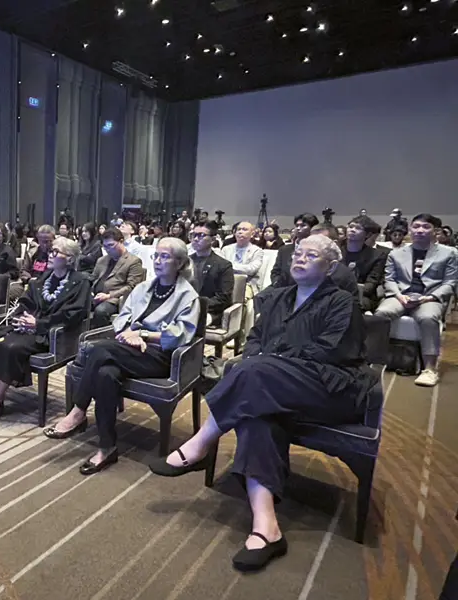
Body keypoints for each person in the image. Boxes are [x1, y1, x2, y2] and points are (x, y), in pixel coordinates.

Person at [150, 235, 375, 572]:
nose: (299, 258)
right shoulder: (279, 297)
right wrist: (267, 363)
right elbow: (254, 341)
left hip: (328, 388)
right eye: (297, 252)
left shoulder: (342, 301)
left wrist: (273, 363)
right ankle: (267, 528)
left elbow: (331, 352)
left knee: (256, 373)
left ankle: (200, 443)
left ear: (330, 268)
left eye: (311, 255)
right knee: (257, 415)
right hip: (272, 387)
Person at [44, 237, 200, 474]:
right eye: (156, 255)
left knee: (98, 349)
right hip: (128, 348)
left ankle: (78, 410)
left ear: (179, 263)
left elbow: (181, 336)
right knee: (106, 374)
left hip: (159, 356)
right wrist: (129, 334)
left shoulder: (187, 296)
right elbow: (122, 317)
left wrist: (143, 335)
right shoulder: (143, 288)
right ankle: (107, 448)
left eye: (165, 257)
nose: (158, 261)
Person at [0, 237, 91, 425]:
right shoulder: (45, 277)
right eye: (51, 251)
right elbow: (26, 300)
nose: (50, 255)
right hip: (27, 326)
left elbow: (73, 315)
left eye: (56, 252)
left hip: (51, 334)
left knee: (9, 347)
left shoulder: (81, 282)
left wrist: (38, 324)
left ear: (70, 258)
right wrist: (22, 317)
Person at [375, 213, 458, 387]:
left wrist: (430, 297)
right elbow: (389, 280)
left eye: (426, 227)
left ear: (435, 231)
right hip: (401, 295)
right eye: (416, 226)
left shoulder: (449, 253)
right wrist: (399, 295)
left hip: (429, 297)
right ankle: (374, 360)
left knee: (428, 318)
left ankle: (429, 369)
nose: (420, 230)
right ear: (410, 230)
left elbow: (450, 283)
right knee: (381, 313)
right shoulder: (396, 253)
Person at [89, 228, 146, 328]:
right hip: (96, 296)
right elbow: (93, 279)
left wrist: (108, 296)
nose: (108, 249)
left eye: (111, 245)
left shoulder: (133, 261)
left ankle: (97, 336)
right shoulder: (102, 260)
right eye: (105, 246)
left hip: (114, 299)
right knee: (77, 304)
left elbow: (131, 287)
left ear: (121, 241)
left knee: (101, 311)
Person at [188, 221, 234, 326]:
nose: (195, 239)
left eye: (201, 235)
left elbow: (223, 297)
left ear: (213, 239)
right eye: (193, 235)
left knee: (192, 322)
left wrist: (197, 305)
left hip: (210, 311)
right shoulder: (185, 261)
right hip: (185, 307)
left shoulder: (223, 265)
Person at [342, 216, 385, 312]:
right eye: (350, 227)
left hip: (363, 296)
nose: (352, 230)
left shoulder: (377, 255)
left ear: (368, 234)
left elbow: (370, 285)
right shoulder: (337, 251)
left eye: (358, 228)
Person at [270, 213, 319, 287]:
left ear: (312, 228)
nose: (298, 228)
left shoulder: (317, 250)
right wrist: (276, 283)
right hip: (281, 288)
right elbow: (275, 272)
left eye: (303, 225)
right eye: (297, 225)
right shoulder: (284, 250)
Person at [221, 222, 264, 294]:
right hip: (225, 282)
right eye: (238, 229)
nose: (240, 232)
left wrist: (229, 266)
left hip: (247, 283)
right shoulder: (226, 249)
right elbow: (220, 268)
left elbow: (252, 269)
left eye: (244, 229)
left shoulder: (257, 250)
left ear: (252, 234)